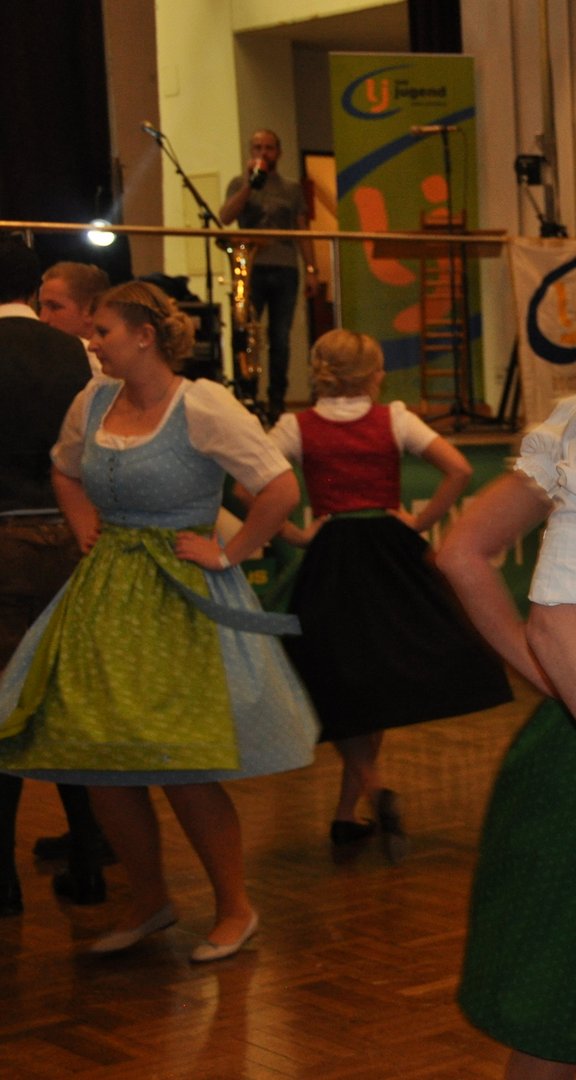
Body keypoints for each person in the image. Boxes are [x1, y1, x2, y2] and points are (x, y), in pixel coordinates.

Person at [0, 280, 317, 961]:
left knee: (181, 759)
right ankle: (149, 900)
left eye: (103, 331)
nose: (92, 342)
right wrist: (84, 528)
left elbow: (278, 487)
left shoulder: (201, 404)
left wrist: (229, 551)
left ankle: (234, 907)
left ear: (144, 336)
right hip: (107, 591)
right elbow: (64, 471)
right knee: (99, 755)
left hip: (179, 593)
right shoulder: (93, 401)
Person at [439, 392, 576, 1080]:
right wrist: (563, 676)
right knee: (556, 1002)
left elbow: (461, 553)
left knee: (562, 1000)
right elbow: (462, 554)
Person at [267, 329, 510, 852]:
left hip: (332, 554)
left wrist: (293, 532)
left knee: (342, 681)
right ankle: (366, 793)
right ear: (373, 374)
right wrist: (419, 523)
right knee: (371, 681)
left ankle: (351, 808)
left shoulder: (295, 426)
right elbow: (459, 469)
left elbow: (253, 486)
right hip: (387, 552)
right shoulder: (393, 419)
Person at [0, 238, 107, 915]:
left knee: (1, 705)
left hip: (2, 542)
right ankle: (91, 859)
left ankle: (2, 879)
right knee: (68, 700)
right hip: (71, 537)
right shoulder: (79, 356)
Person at [219, 128, 321, 420]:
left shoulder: (291, 188)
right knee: (245, 333)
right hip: (250, 269)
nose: (263, 153)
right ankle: (247, 395)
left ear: (279, 153)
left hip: (286, 268)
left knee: (280, 338)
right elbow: (225, 217)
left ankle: (277, 400)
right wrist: (249, 185)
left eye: (269, 148)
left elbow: (302, 230)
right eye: (258, 147)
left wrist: (311, 270)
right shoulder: (238, 183)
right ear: (250, 151)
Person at [38, 261, 109, 375]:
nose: (43, 319)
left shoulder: (111, 368)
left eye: (55, 307)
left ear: (89, 310)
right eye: (41, 307)